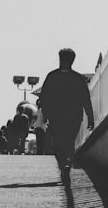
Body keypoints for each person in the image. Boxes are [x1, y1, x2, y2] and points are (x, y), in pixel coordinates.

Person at [37, 48, 94, 182]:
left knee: (57, 143)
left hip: (56, 116)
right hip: (74, 116)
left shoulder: (52, 76)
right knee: (69, 141)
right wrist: (90, 117)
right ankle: (68, 161)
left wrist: (45, 115)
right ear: (73, 60)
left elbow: (44, 97)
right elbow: (86, 99)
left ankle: (63, 165)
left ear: (60, 59)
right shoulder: (78, 78)